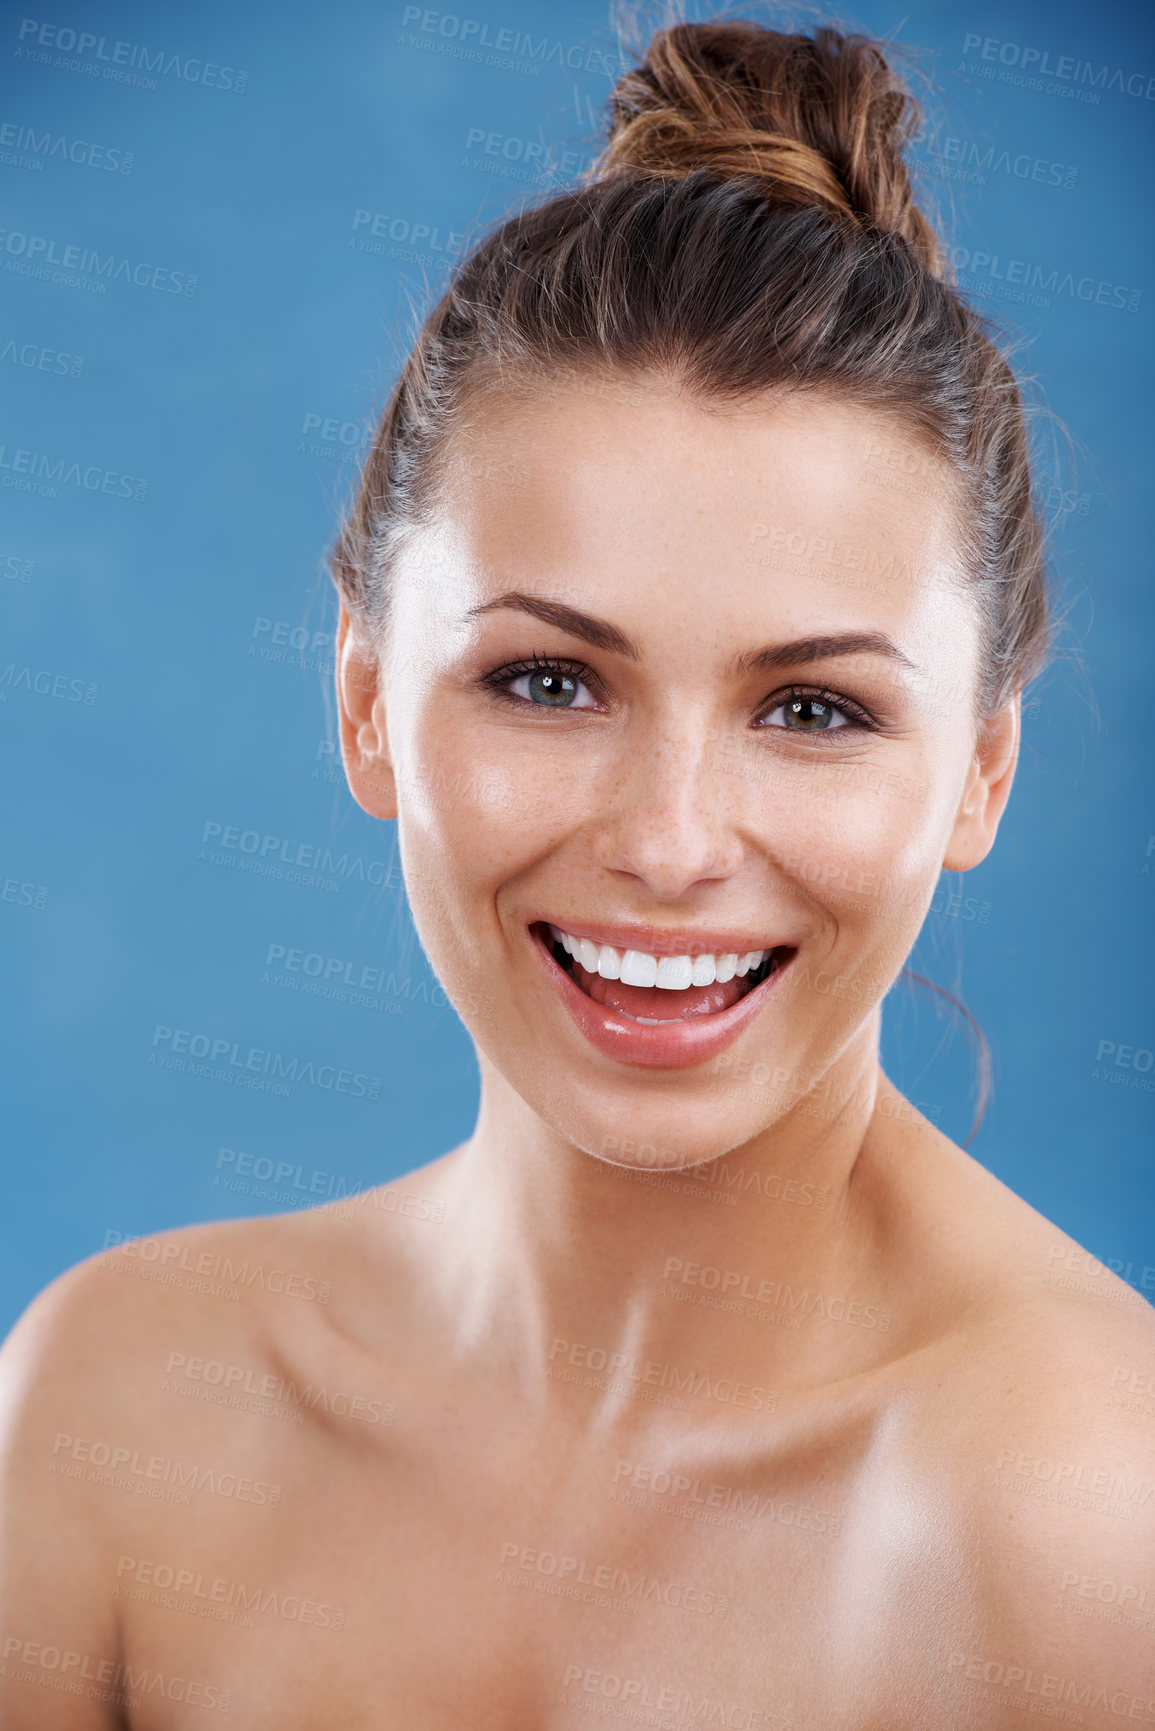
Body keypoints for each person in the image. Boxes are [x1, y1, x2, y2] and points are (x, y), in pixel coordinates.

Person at [1, 16, 1151, 1728]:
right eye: (550, 681)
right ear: (369, 700)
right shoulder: (108, 1412)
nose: (671, 844)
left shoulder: (1099, 1529)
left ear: (982, 767)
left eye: (814, 707)